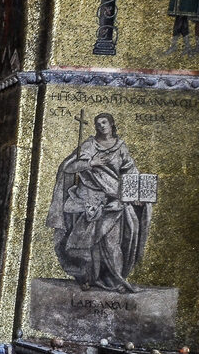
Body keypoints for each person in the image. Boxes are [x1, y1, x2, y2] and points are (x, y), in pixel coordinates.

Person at [45, 111, 148, 293]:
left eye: (105, 123)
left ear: (112, 125)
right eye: (98, 123)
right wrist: (91, 163)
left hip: (113, 201)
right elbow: (68, 167)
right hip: (88, 200)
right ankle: (86, 279)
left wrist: (136, 195)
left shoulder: (120, 147)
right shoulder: (89, 146)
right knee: (86, 243)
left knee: (112, 244)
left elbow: (130, 172)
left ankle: (117, 281)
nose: (101, 126)